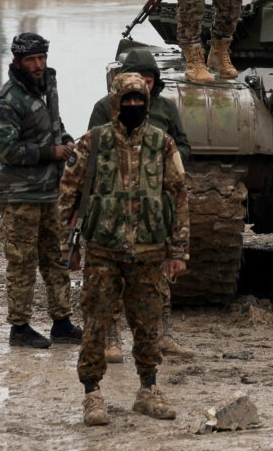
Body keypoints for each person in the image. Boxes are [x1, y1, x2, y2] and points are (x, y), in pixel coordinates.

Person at [60, 73, 190, 426]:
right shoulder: (93, 142)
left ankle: (148, 390)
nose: (133, 106)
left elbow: (178, 197)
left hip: (149, 251)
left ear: (147, 103)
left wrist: (178, 250)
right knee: (96, 323)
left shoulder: (162, 143)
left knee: (147, 325)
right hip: (103, 250)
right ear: (115, 103)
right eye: (127, 100)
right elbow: (68, 193)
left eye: (139, 100)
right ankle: (92, 394)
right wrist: (67, 247)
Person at [86, 47, 193, 363]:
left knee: (157, 275)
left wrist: (167, 166)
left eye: (149, 80)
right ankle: (111, 339)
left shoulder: (165, 108)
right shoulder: (104, 108)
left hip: (153, 203)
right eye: (138, 79)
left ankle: (162, 335)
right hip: (115, 204)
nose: (143, 86)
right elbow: (92, 150)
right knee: (112, 275)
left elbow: (182, 144)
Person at [0, 32, 83, 349]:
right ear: (18, 62)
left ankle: (62, 323)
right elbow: (6, 151)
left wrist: (66, 141)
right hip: (19, 197)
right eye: (31, 60)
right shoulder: (6, 101)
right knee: (22, 262)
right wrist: (51, 152)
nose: (38, 65)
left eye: (42, 58)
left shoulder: (46, 88)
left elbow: (55, 125)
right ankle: (20, 328)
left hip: (49, 193)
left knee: (55, 259)